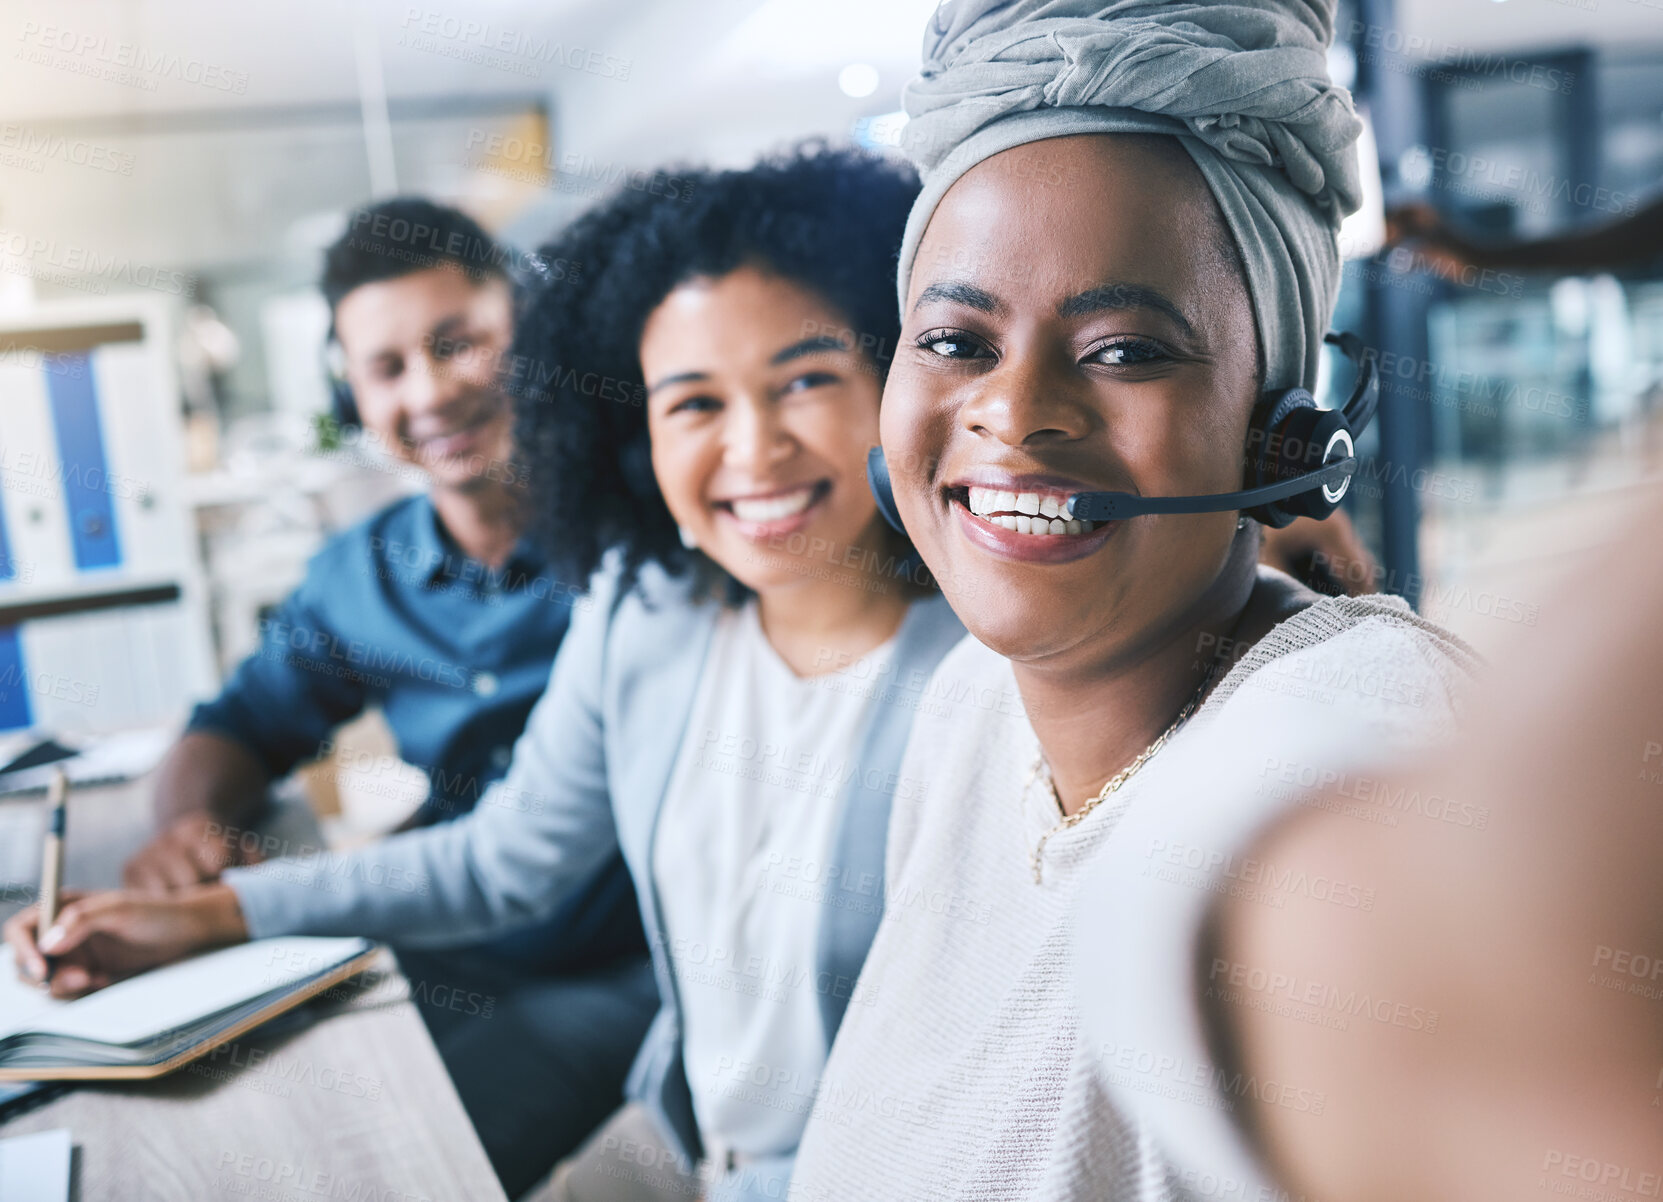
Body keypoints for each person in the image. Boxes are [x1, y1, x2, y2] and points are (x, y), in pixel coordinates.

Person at [6, 147, 966, 1202]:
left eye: (805, 378)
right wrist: (204, 900)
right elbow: (496, 853)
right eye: (692, 402)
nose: (753, 446)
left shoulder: (981, 671)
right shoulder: (651, 603)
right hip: (673, 1097)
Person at [788, 1, 1480, 1197]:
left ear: (1282, 439)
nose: (1014, 410)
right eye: (955, 339)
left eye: (1123, 350)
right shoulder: (964, 707)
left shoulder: (1348, 769)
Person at [118, 196, 656, 1197]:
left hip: (625, 965)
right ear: (351, 390)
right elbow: (238, 723)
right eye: (387, 367)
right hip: (449, 921)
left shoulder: (647, 530)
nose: (433, 391)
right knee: (246, 1115)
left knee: (397, 1172)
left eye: (460, 342)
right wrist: (188, 825)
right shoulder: (359, 575)